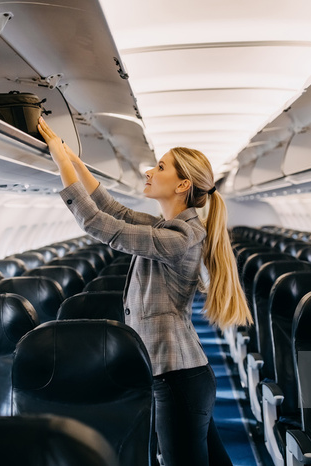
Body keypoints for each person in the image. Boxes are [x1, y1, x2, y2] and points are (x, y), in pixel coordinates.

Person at [38, 117, 252, 466]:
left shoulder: (180, 238)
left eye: (161, 166)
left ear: (182, 184)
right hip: (181, 375)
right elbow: (114, 210)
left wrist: (61, 164)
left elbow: (98, 224)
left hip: (176, 378)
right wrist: (75, 162)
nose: (150, 171)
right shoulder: (170, 227)